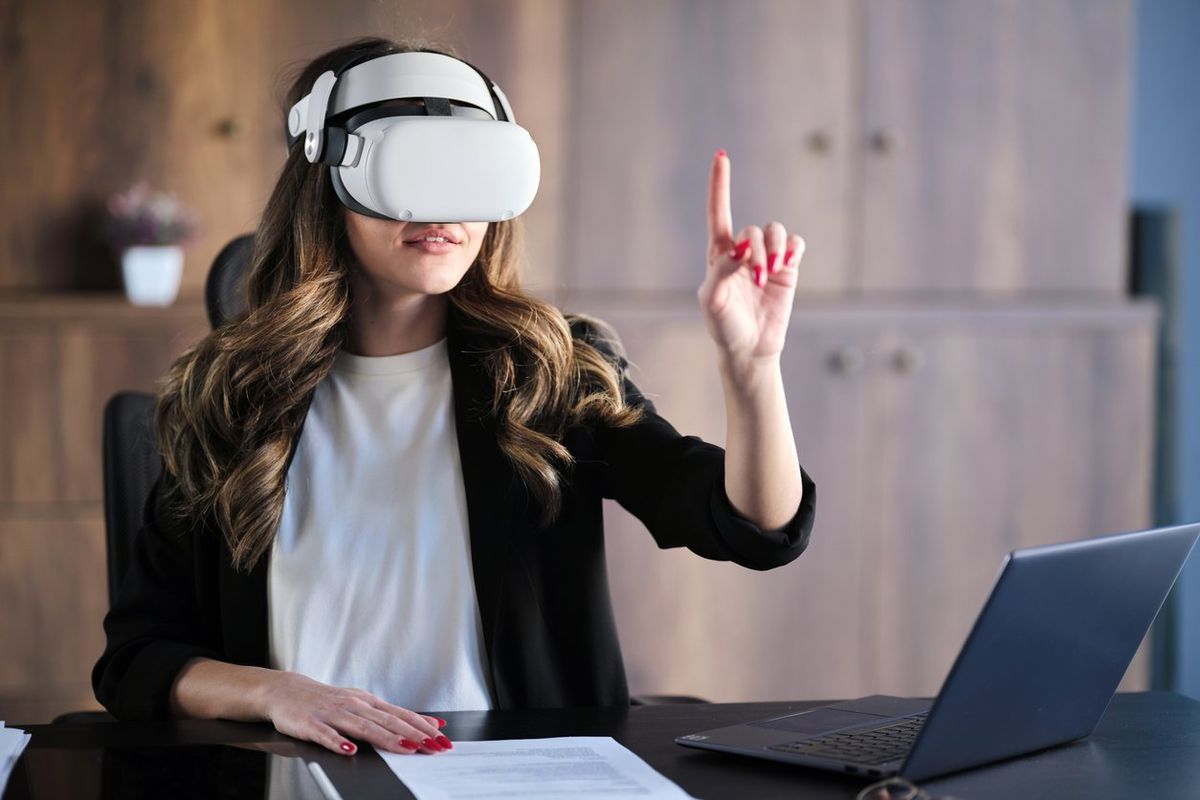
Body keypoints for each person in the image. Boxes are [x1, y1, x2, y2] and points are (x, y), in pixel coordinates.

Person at [92, 36, 816, 759]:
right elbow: (137, 659)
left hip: (512, 773)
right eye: (408, 169)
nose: (442, 208)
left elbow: (752, 528)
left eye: (467, 172)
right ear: (327, 184)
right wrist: (273, 693)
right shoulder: (233, 397)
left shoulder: (550, 373)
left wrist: (752, 368)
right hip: (303, 773)